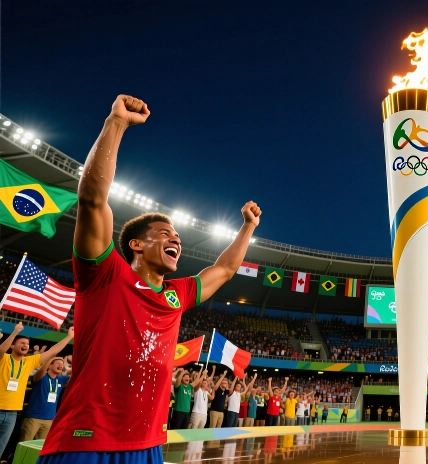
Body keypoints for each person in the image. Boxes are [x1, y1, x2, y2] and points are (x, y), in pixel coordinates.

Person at [38, 95, 262, 464]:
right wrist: (116, 122)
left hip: (148, 446)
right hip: (87, 442)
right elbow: (92, 199)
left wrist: (247, 228)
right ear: (136, 244)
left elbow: (223, 270)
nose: (176, 239)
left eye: (177, 235)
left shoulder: (177, 294)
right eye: (164, 233)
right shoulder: (105, 273)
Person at [0, 323, 73, 452]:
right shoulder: (4, 358)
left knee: (1, 448)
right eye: (22, 343)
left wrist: (69, 337)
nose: (26, 345)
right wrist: (15, 332)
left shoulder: (29, 361)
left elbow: (52, 352)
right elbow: (1, 350)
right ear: (12, 345)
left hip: (12, 413)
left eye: (27, 344)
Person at [20, 357, 71, 441]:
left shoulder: (60, 380)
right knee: (25, 444)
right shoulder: (41, 377)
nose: (61, 365)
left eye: (62, 364)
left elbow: (77, 374)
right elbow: (42, 370)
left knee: (39, 446)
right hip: (33, 418)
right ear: (49, 366)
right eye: (58, 363)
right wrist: (51, 358)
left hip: (49, 420)